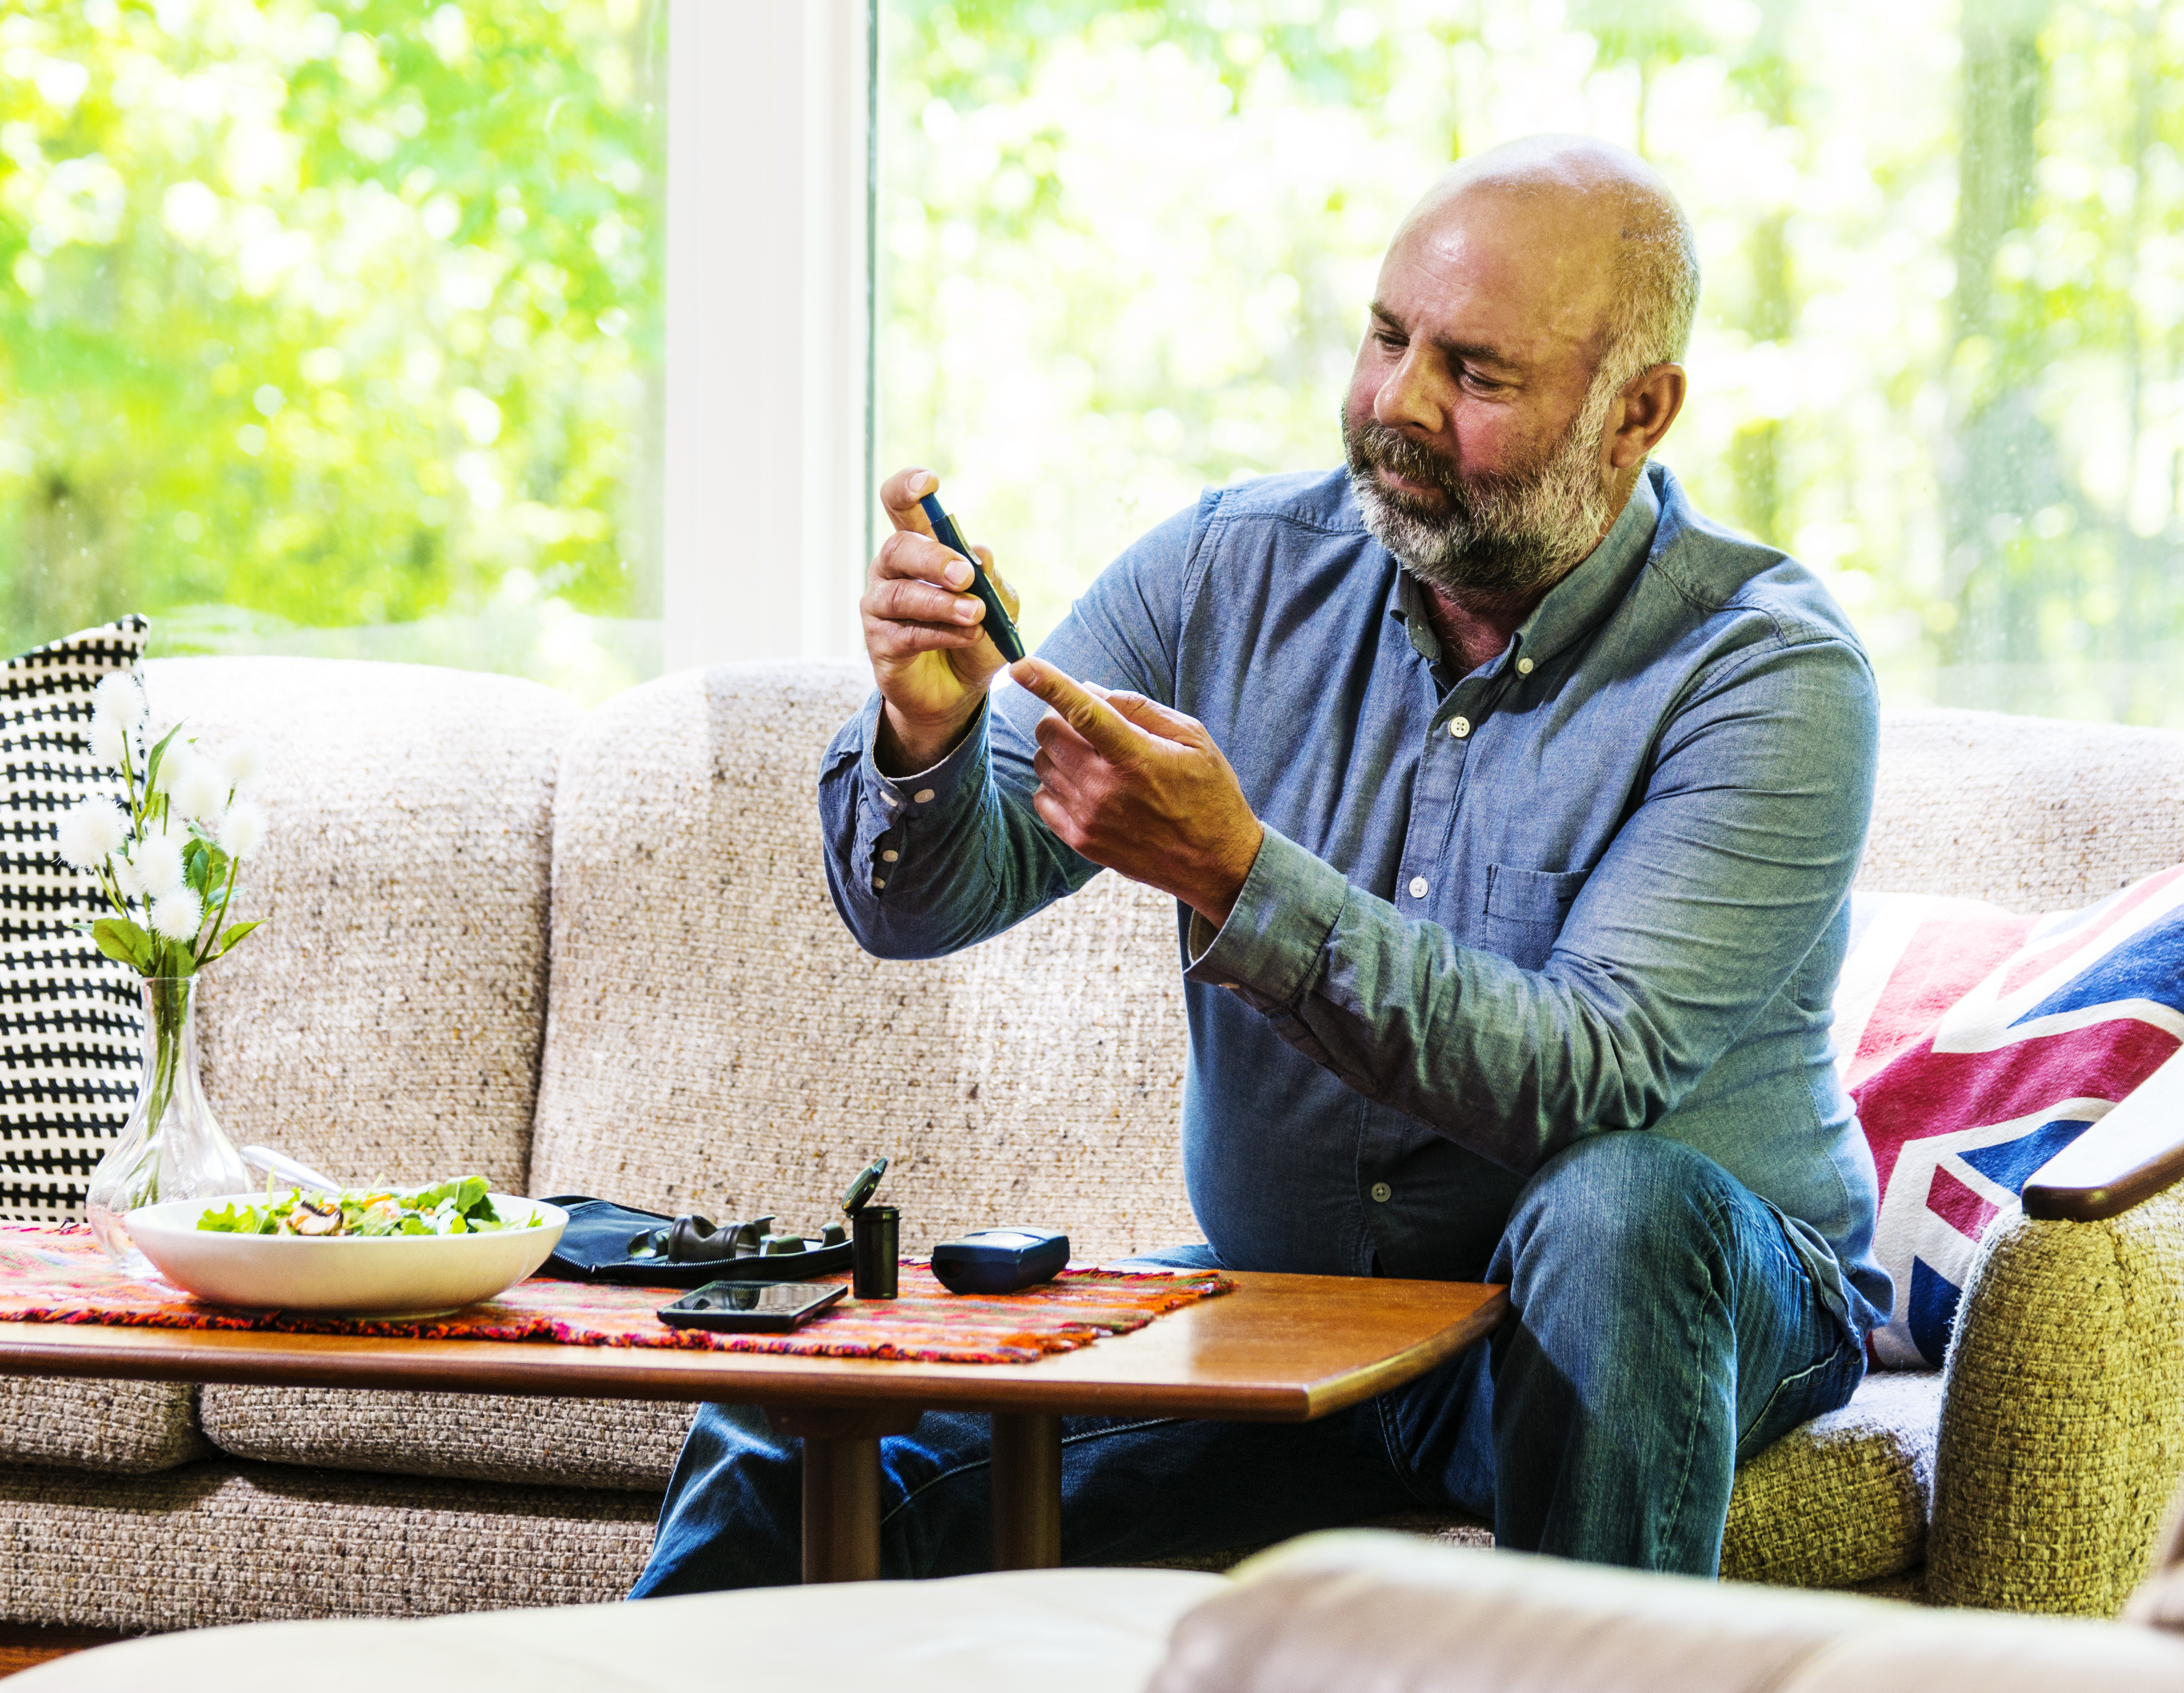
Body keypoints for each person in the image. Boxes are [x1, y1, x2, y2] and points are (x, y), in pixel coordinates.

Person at [633, 133, 1887, 1591]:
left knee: (1619, 1211)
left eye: (1475, 376)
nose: (1397, 409)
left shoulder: (1767, 674)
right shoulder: (1230, 568)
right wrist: (927, 731)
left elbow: (1583, 1077)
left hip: (1674, 1311)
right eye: (1385, 338)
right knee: (791, 1434)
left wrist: (1240, 879)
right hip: (1308, 1324)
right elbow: (925, 907)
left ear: (1638, 414)